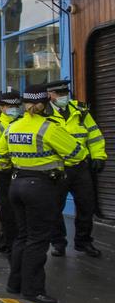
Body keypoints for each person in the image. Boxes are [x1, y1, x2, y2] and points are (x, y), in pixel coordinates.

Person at [0, 84, 86, 303]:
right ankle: (33, 289)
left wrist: (14, 166)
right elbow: (78, 153)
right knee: (38, 240)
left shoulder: (12, 127)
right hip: (41, 187)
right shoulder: (48, 128)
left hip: (16, 185)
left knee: (22, 236)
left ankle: (14, 283)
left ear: (25, 104)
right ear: (45, 104)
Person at [43, 79, 106, 258]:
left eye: (65, 94)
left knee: (87, 204)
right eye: (59, 94)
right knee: (54, 207)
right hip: (56, 168)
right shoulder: (43, 113)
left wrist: (99, 156)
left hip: (80, 167)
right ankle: (58, 242)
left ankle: (83, 241)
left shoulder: (80, 111)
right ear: (50, 95)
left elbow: (94, 134)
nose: (64, 97)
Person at [0, 90, 22, 254]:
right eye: (10, 106)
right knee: (7, 210)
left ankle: (6, 241)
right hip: (3, 172)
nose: (14, 109)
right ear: (2, 107)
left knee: (17, 210)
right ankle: (9, 242)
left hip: (20, 171)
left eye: (16, 106)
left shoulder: (25, 122)